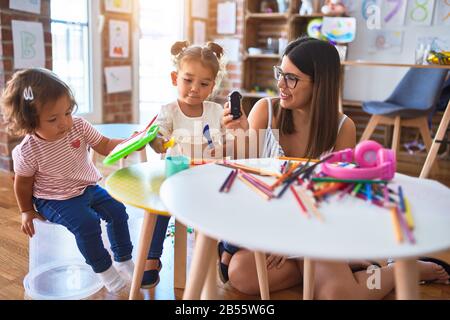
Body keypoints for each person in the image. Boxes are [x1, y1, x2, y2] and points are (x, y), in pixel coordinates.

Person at [221, 37, 450, 299]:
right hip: (271, 227)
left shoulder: (343, 128)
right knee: (242, 275)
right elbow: (244, 178)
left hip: (315, 230)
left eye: (292, 78)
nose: (281, 84)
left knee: (339, 295)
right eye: (280, 74)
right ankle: (342, 265)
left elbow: (337, 199)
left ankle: (401, 270)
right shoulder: (265, 111)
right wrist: (238, 136)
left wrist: (298, 241)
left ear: (320, 85)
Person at [1, 68, 135, 294]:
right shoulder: (28, 150)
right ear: (30, 122)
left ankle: (123, 258)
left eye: (67, 112)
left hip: (88, 186)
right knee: (87, 224)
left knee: (118, 210)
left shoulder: (79, 126)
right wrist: (26, 211)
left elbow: (104, 144)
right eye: (53, 119)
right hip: (54, 198)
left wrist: (130, 142)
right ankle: (104, 269)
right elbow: (22, 183)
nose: (64, 123)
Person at [143, 40, 229, 288]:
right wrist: (158, 142)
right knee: (159, 208)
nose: (195, 89)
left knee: (230, 202)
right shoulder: (169, 111)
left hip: (208, 178)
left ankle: (227, 247)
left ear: (213, 85)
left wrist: (231, 137)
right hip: (175, 178)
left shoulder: (215, 111)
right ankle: (151, 258)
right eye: (188, 80)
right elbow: (157, 138)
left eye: (204, 84)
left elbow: (229, 142)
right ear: (174, 77)